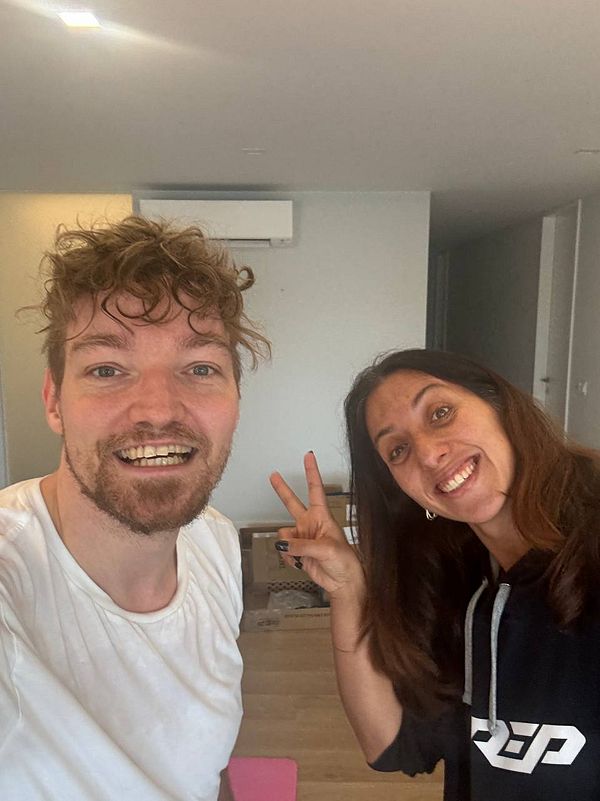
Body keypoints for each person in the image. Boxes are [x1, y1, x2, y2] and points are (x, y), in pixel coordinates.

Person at [0, 216, 269, 801]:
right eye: (106, 369)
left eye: (200, 368)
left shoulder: (216, 541)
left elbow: (203, 764)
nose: (157, 409)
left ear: (236, 399)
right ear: (54, 402)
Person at [270, 348, 600, 801]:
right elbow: (393, 744)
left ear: (500, 405)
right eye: (398, 450)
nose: (427, 454)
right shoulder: (456, 585)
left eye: (441, 413)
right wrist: (347, 588)